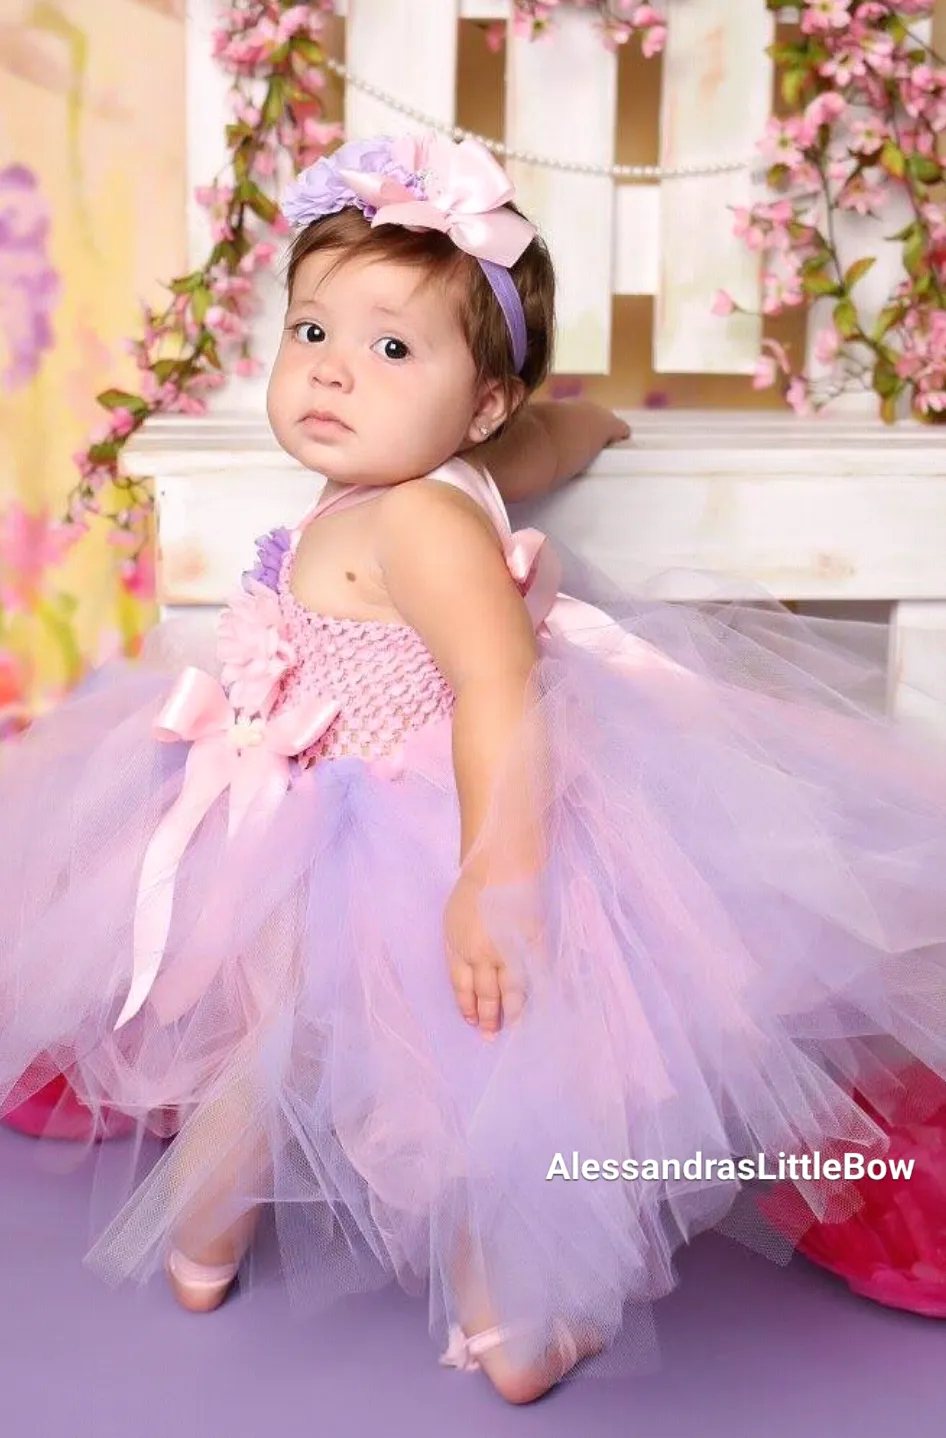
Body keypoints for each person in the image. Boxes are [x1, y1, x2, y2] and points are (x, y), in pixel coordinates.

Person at [1, 130, 946, 1406]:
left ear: (478, 401)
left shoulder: (417, 514)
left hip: (366, 831)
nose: (333, 373)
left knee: (294, 1062)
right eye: (312, 331)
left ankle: (216, 1255)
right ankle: (500, 1322)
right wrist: (584, 428)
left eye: (392, 349)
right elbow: (529, 487)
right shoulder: (435, 481)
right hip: (340, 819)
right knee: (435, 1087)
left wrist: (493, 873)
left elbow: (499, 682)